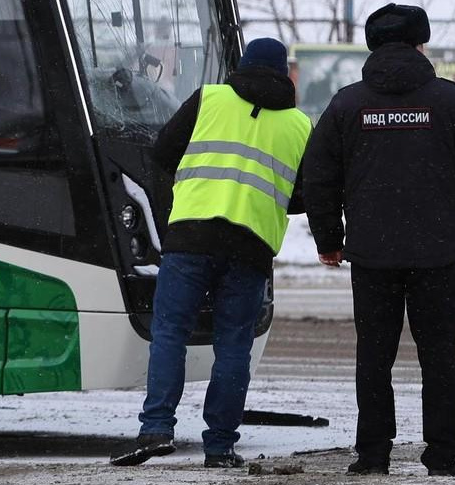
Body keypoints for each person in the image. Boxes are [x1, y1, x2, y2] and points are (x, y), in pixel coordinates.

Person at [301, 4, 455, 477]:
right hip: (434, 254)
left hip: (372, 256)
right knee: (439, 360)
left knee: (374, 358)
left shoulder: (347, 104)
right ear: (421, 45)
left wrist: (329, 238)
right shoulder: (450, 101)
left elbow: (320, 176)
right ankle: (441, 457)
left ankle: (373, 454)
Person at [109, 37, 311, 470]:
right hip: (251, 247)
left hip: (191, 239)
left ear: (243, 65)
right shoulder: (298, 126)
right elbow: (300, 198)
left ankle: (156, 428)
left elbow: (163, 153)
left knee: (170, 333)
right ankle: (219, 446)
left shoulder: (209, 98)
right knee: (234, 347)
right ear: (283, 74)